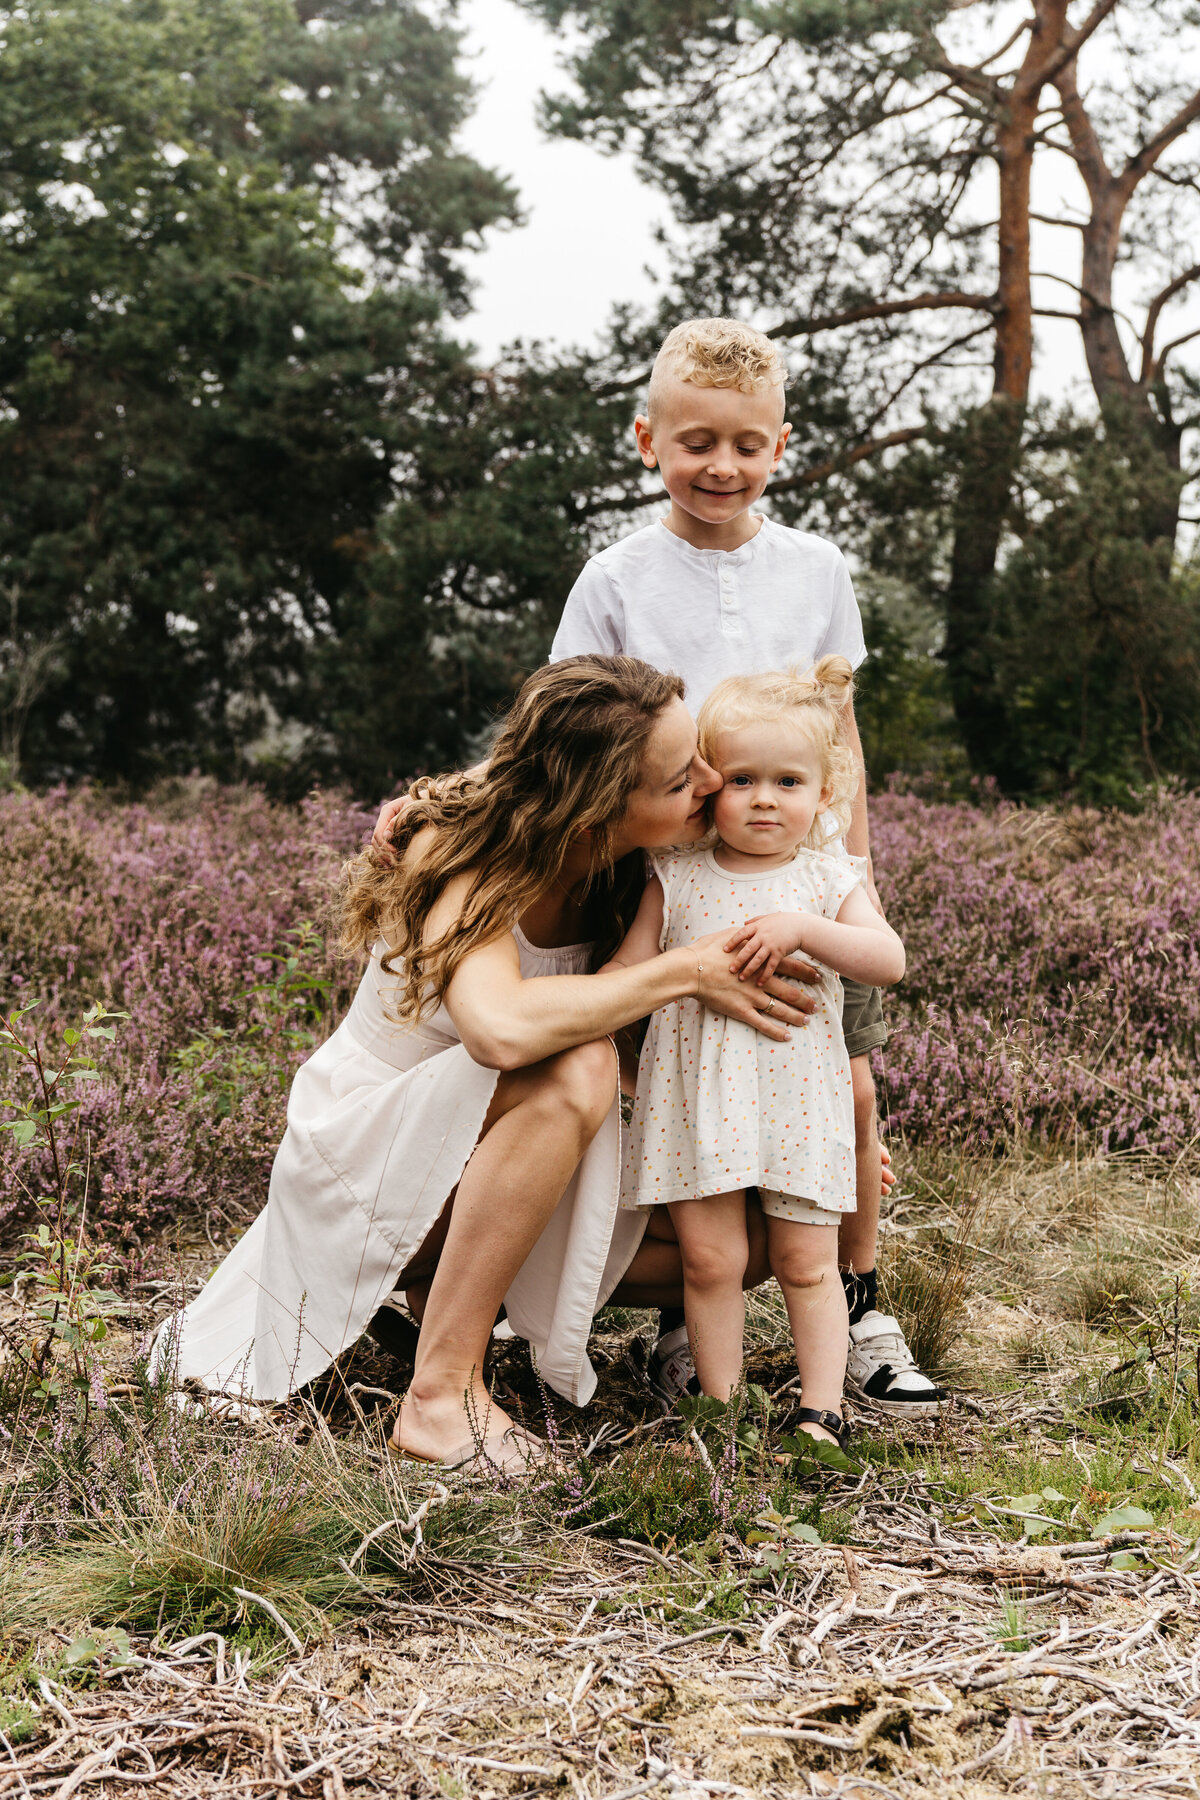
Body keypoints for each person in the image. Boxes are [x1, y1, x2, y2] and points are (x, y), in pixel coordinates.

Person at [151, 656, 819, 1471]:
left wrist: (807, 1134)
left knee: (737, 1243)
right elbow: (499, 1033)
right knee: (578, 1069)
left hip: (489, 1151)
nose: (714, 783)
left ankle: (455, 1297)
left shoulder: (632, 868)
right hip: (366, 1154)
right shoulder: (463, 851)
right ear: (598, 807)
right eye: (684, 778)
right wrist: (685, 971)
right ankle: (440, 1395)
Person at [546, 316, 943, 1418]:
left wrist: (850, 863)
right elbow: (567, 727)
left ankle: (859, 1306)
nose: (720, 465)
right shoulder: (616, 575)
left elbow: (841, 728)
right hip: (672, 870)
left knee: (850, 1092)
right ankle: (689, 1317)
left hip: (804, 874)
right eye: (695, 442)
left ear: (780, 447)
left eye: (746, 444)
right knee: (679, 1088)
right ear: (646, 441)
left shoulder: (814, 566)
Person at [609, 661, 905, 1446]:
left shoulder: (826, 878)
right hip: (696, 1108)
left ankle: (820, 1409)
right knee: (710, 1263)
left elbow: (888, 960)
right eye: (742, 779)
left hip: (798, 1105)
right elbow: (624, 974)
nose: (765, 799)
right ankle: (722, 1408)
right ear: (711, 787)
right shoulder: (674, 877)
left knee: (807, 1263)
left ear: (823, 793)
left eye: (788, 781)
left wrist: (805, 930)